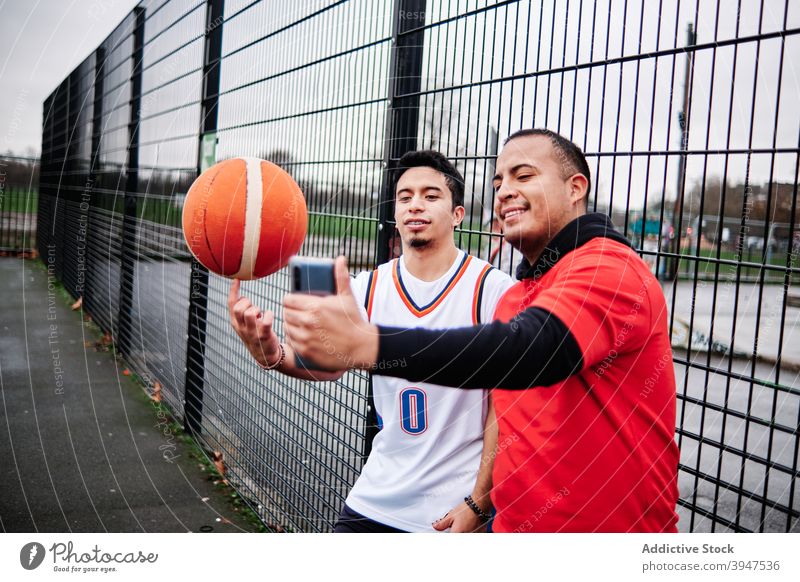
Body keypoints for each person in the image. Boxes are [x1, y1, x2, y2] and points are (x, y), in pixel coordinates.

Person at [282, 129, 681, 533]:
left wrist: (371, 344)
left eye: (523, 176)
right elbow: (505, 407)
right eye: (498, 182)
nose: (505, 190)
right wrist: (280, 355)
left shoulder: (610, 269)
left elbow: (530, 351)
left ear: (576, 187)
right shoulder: (521, 295)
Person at [228, 150, 513, 533]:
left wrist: (479, 501)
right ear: (395, 213)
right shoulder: (366, 287)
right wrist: (273, 354)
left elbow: (506, 406)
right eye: (405, 196)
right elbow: (328, 366)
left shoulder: (492, 290)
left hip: (453, 506)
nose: (415, 205)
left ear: (457, 214)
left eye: (431, 196)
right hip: (377, 493)